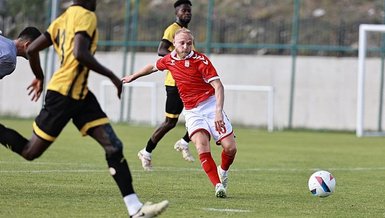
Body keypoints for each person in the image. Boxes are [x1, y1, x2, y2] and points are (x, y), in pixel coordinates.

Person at [0, 1, 168, 217]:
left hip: (80, 95)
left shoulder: (61, 19)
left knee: (113, 146)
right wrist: (112, 76)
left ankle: (135, 209)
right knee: (30, 151)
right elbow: (79, 52)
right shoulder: (86, 16)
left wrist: (40, 76)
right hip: (63, 95)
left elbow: (32, 49)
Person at [122, 28, 237, 198]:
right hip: (192, 111)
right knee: (201, 144)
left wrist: (218, 112)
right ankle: (218, 185)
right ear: (174, 44)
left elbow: (218, 86)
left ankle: (223, 171)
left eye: (189, 43)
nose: (186, 46)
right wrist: (134, 76)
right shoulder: (169, 60)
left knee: (230, 148)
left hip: (211, 105)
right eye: (182, 43)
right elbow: (152, 67)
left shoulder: (201, 60)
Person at [137, 0, 195, 171]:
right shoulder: (172, 30)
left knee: (200, 116)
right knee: (170, 122)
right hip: (175, 84)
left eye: (189, 11)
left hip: (189, 83)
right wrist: (176, 56)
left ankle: (184, 142)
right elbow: (161, 50)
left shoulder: (186, 33)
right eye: (184, 10)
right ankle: (146, 152)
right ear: (177, 13)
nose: (187, 13)